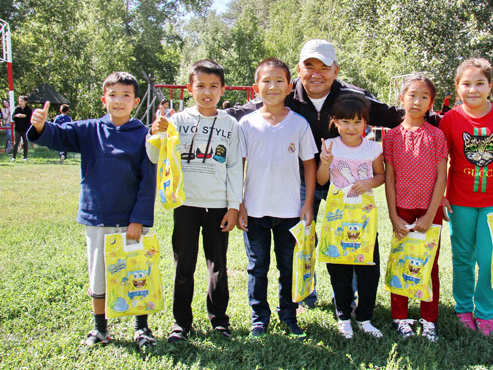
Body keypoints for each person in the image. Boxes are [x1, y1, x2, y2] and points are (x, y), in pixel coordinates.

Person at [227, 39, 430, 308]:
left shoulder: (353, 96)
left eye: (324, 67)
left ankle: (346, 297)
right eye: (309, 66)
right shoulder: (285, 92)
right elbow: (243, 111)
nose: (316, 74)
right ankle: (305, 293)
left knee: (352, 234)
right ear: (299, 70)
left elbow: (394, 116)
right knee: (302, 237)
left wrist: (445, 122)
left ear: (336, 70)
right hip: (302, 179)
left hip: (346, 181)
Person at [27, 72, 157, 348]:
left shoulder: (144, 135)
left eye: (125, 95)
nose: (118, 101)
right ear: (103, 100)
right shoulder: (89, 129)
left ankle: (141, 328)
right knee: (98, 275)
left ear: (135, 102)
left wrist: (139, 220)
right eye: (113, 95)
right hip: (98, 218)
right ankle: (100, 329)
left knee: (137, 273)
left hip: (131, 220)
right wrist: (40, 126)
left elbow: (149, 181)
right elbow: (58, 136)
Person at [147, 59, 243, 342]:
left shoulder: (230, 124)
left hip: (218, 206)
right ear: (190, 89)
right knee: (184, 265)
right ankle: (181, 323)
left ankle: (219, 320)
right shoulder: (176, 121)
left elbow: (234, 167)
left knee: (218, 266)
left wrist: (234, 207)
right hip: (185, 205)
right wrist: (156, 132)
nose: (207, 92)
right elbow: (155, 157)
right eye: (201, 86)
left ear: (223, 90)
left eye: (214, 86)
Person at [439, 58, 493, 337]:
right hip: (460, 202)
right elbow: (440, 161)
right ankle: (463, 309)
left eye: (480, 83)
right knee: (463, 257)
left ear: (490, 86)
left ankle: (485, 313)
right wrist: (441, 195)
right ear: (457, 86)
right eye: (466, 84)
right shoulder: (450, 120)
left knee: (490, 260)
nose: (473, 89)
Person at [237, 58, 317, 340]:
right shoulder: (246, 124)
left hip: (290, 211)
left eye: (279, 81)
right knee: (257, 268)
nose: (273, 87)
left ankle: (289, 316)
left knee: (288, 267)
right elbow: (238, 166)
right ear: (255, 87)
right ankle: (259, 319)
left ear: (289, 86)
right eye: (266, 81)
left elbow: (310, 165)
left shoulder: (299, 124)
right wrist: (239, 204)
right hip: (254, 210)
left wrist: (307, 204)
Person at [383, 74, 448, 342]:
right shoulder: (391, 136)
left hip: (430, 211)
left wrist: (431, 214)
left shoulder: (437, 135)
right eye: (412, 95)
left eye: (424, 97)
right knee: (401, 261)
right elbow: (389, 178)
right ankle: (400, 317)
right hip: (402, 209)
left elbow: (442, 177)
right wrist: (393, 215)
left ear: (431, 103)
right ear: (402, 98)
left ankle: (429, 319)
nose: (417, 101)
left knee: (428, 264)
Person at [317, 93, 385, 339]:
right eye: (345, 121)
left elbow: (381, 176)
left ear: (366, 123)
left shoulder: (373, 148)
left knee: (368, 269)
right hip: (338, 218)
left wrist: (368, 182)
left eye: (357, 122)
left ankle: (365, 317)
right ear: (335, 121)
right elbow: (321, 180)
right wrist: (325, 162)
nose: (351, 127)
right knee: (339, 268)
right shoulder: (330, 145)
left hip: (364, 219)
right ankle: (343, 316)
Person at [11, 95, 32, 162]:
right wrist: (17, 116)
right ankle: (14, 157)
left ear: (25, 102)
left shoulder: (28, 110)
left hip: (25, 129)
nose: (20, 102)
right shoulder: (17, 109)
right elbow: (13, 117)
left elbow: (30, 119)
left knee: (25, 143)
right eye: (19, 101)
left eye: (22, 101)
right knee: (16, 143)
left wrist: (24, 116)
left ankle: (25, 157)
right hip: (17, 128)